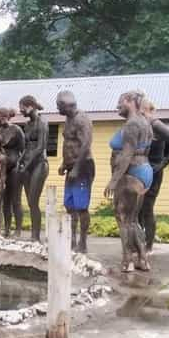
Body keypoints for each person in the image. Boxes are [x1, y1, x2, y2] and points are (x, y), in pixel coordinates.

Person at [105, 91, 154, 272]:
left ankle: (128, 260)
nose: (118, 106)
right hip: (143, 171)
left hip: (131, 173)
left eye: (120, 102)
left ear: (130, 101)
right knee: (132, 220)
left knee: (124, 218)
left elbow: (126, 155)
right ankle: (142, 259)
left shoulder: (133, 123)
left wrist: (113, 180)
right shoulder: (145, 122)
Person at [139, 99, 169, 253]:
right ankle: (139, 242)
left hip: (153, 171)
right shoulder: (142, 124)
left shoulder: (155, 123)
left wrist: (163, 163)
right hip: (142, 170)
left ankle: (149, 246)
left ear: (145, 109)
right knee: (138, 208)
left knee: (147, 208)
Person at [56, 91, 94, 253]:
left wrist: (77, 168)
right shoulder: (68, 118)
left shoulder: (82, 119)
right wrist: (64, 163)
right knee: (69, 204)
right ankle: (71, 239)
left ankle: (83, 242)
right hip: (71, 167)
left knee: (81, 206)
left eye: (59, 106)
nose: (57, 109)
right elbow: (69, 143)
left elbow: (85, 145)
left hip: (83, 167)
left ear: (67, 105)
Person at [19, 95, 49, 242]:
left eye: (22, 108)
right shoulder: (27, 125)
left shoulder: (42, 123)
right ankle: (33, 233)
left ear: (30, 106)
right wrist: (20, 161)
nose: (21, 111)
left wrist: (28, 164)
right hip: (27, 164)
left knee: (33, 200)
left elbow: (40, 147)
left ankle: (35, 235)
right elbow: (26, 147)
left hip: (39, 164)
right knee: (29, 202)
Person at [0, 107, 25, 237]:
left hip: (15, 166)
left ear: (3, 117)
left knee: (16, 200)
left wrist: (19, 164)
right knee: (5, 199)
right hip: (3, 167)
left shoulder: (16, 130)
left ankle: (18, 230)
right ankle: (6, 229)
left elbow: (23, 150)